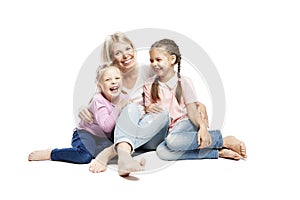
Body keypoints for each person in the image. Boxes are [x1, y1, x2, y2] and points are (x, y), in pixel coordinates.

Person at [79, 32, 209, 176]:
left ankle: (112, 153)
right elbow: (97, 101)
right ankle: (124, 157)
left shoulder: (150, 70)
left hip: (151, 128)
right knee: (131, 108)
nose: (125, 55)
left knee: (158, 114)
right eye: (118, 52)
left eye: (128, 49)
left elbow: (172, 84)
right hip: (127, 130)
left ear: (134, 49)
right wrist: (83, 108)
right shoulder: (111, 77)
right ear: (112, 58)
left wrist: (197, 105)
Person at [144, 38, 247, 161]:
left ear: (172, 59)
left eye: (158, 59)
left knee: (172, 141)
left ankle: (223, 139)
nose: (154, 63)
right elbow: (148, 109)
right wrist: (148, 108)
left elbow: (192, 111)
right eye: (151, 60)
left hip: (186, 123)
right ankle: (216, 152)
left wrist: (203, 127)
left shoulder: (185, 82)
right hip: (168, 131)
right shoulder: (149, 84)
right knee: (163, 152)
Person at [28, 63, 129, 164]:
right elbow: (106, 126)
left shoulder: (125, 97)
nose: (114, 82)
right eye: (108, 79)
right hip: (85, 134)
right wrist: (119, 107)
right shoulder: (98, 100)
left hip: (103, 139)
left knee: (121, 148)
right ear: (100, 86)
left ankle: (93, 150)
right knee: (84, 156)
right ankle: (51, 153)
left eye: (117, 78)